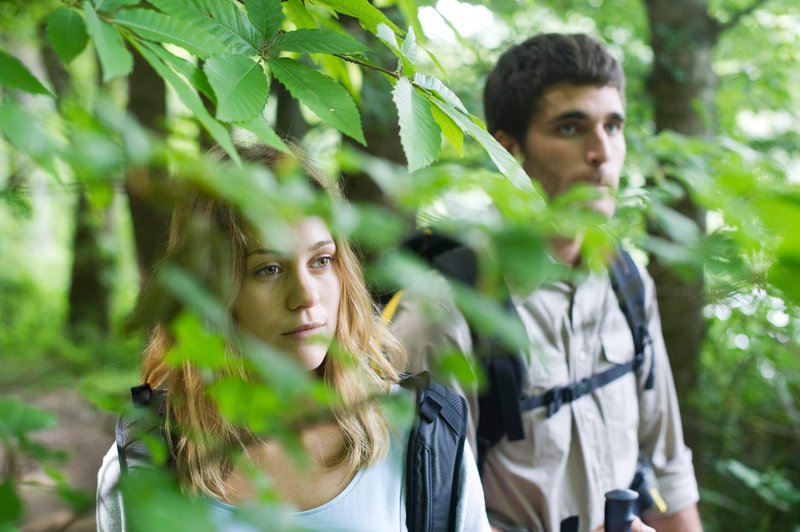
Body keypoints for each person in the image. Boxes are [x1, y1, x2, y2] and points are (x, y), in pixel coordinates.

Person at [391, 34, 702, 532]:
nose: (601, 152)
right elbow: (425, 517)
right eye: (571, 127)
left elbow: (669, 469)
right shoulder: (449, 305)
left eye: (613, 126)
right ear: (509, 151)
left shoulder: (628, 282)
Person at [96, 143, 491, 531]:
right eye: (268, 269)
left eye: (321, 261)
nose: (305, 296)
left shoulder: (422, 436)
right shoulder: (147, 457)